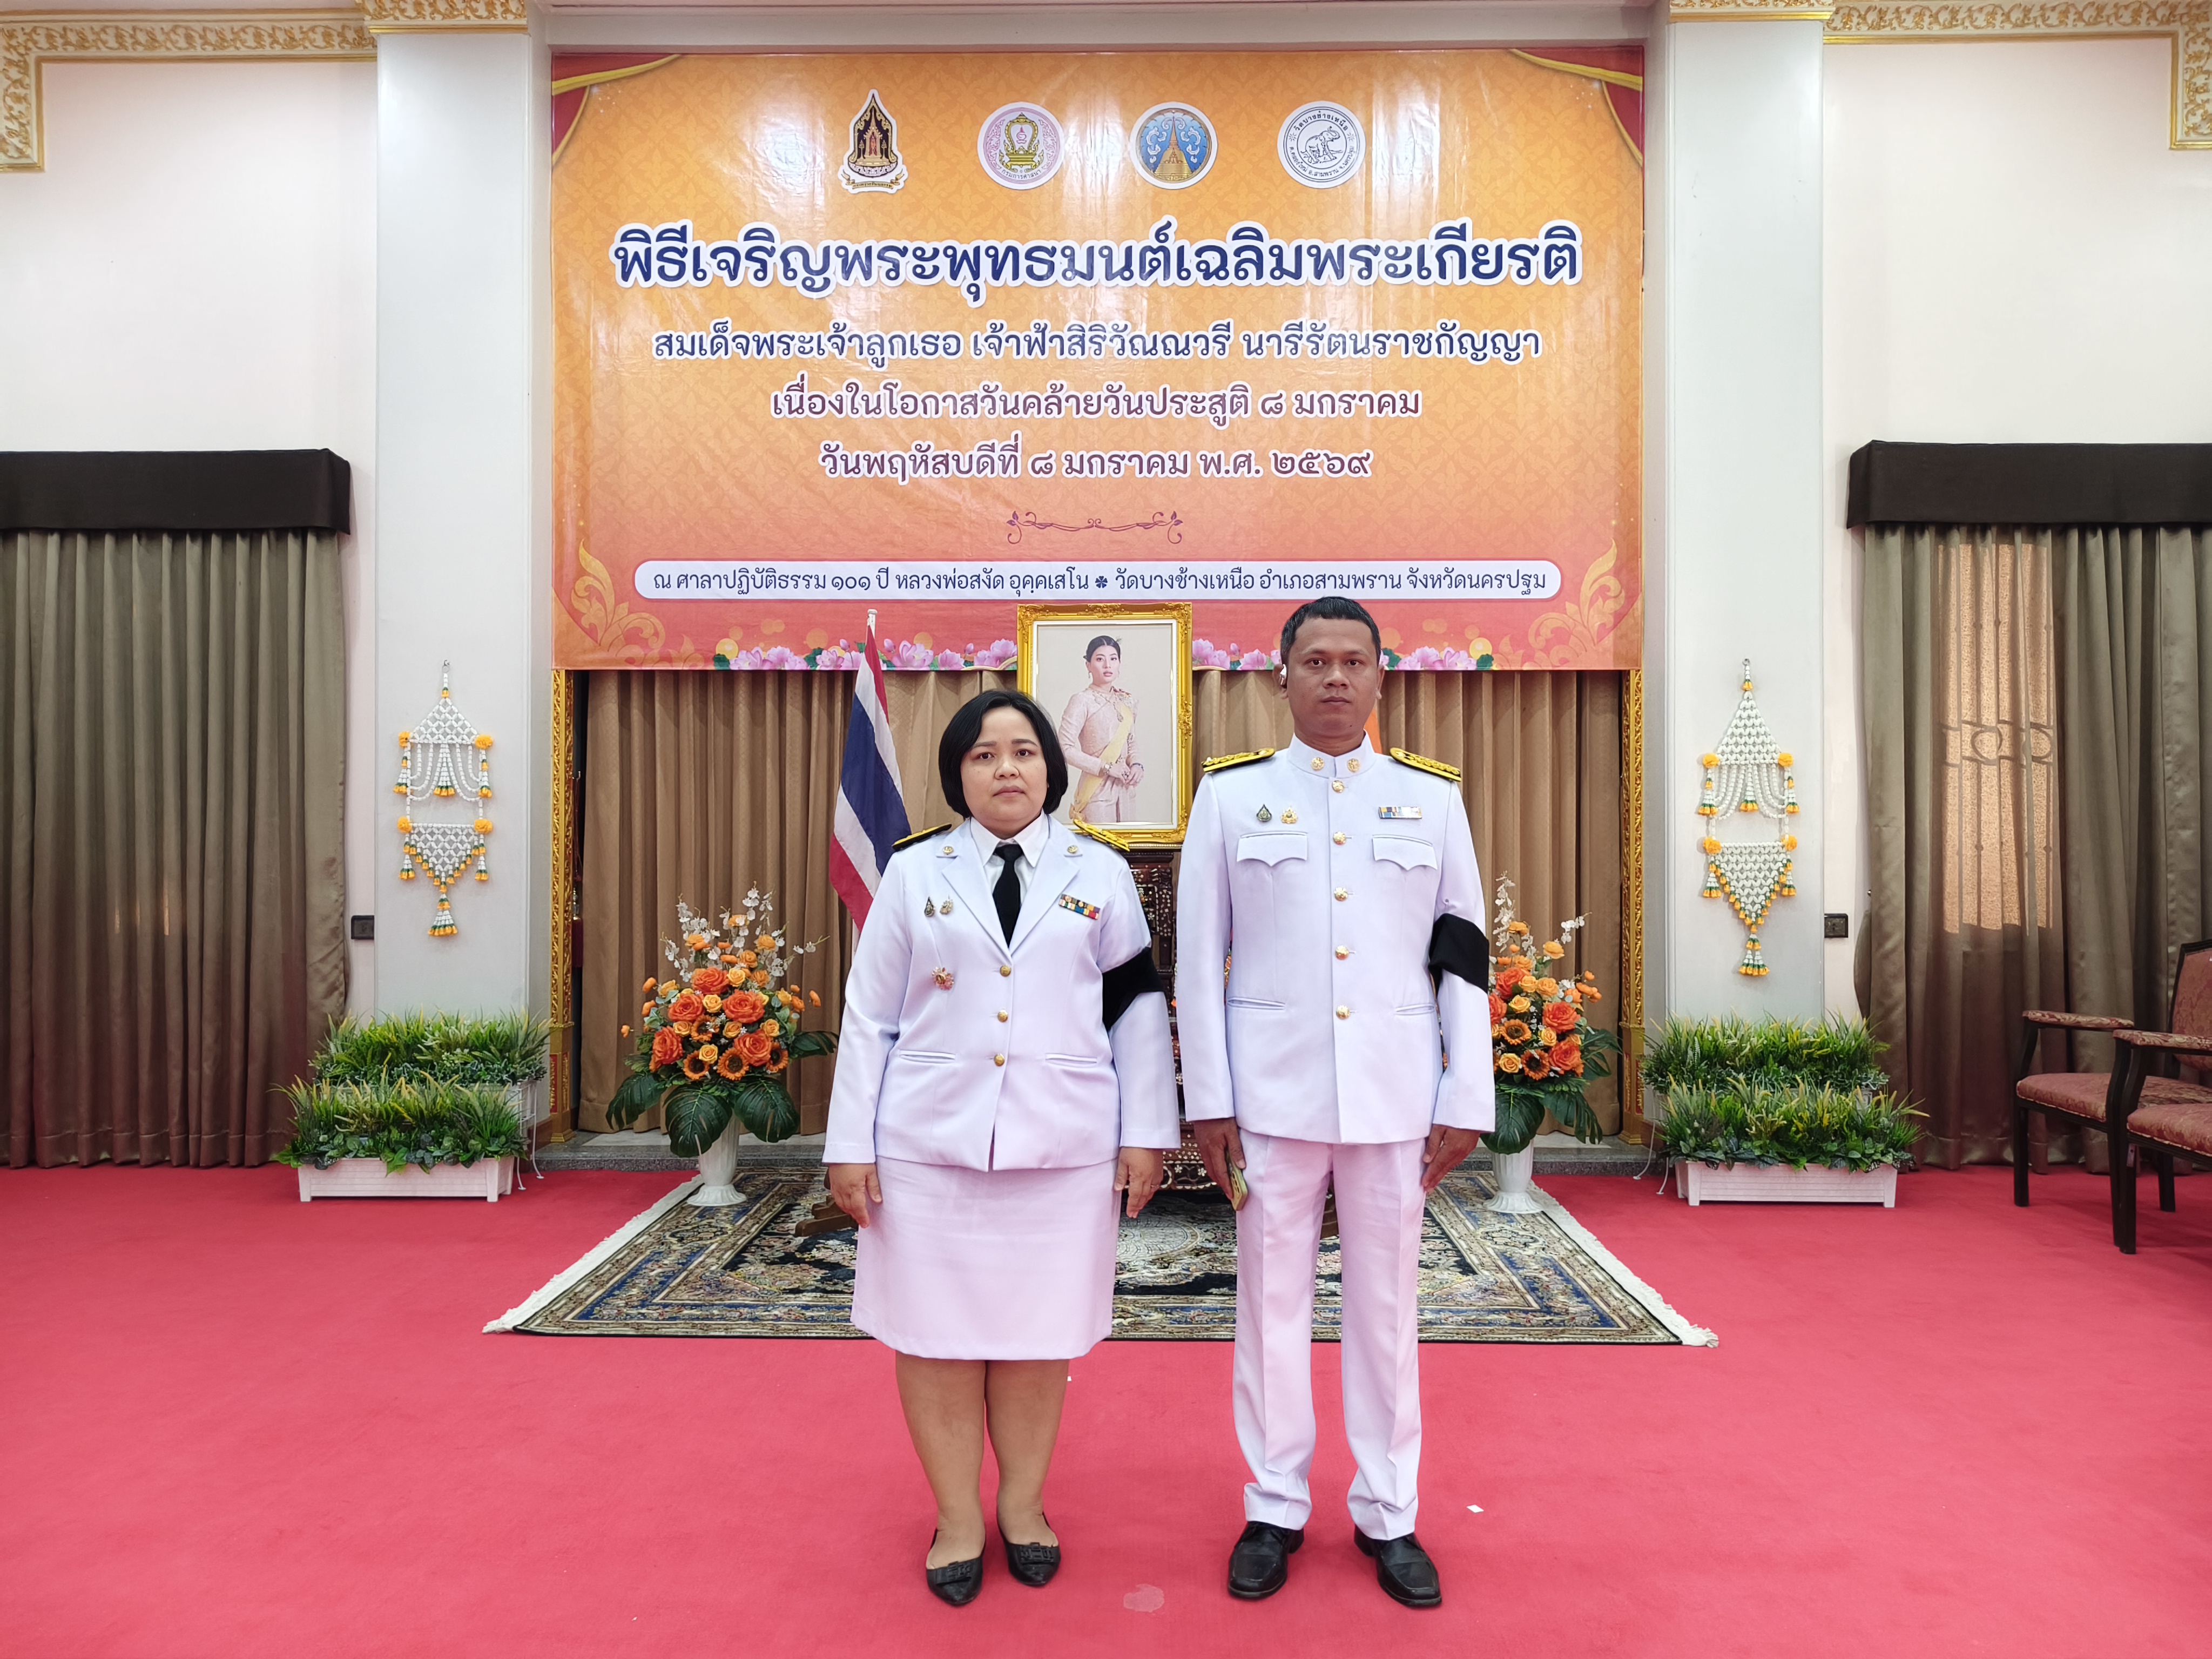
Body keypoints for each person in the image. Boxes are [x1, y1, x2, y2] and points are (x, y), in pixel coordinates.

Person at [824, 688, 1178, 1607]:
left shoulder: (1099, 873)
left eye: (1023, 751)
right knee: (934, 1338)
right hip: (927, 1148)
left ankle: (1023, 1506)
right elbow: (868, 1018)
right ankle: (955, 1517)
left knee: (1035, 1337)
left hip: (1061, 1149)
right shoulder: (913, 872)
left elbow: (1136, 1010)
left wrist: (1148, 1130)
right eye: (983, 755)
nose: (1007, 768)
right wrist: (848, 1144)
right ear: (958, 776)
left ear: (1052, 770)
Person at [1174, 595, 1494, 1610]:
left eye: (1354, 661)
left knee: (1387, 1306)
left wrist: (1466, 1090)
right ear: (1281, 678)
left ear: (1381, 679)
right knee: (1268, 1307)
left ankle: (1388, 1511)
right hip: (1271, 1094)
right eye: (1314, 660)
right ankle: (1273, 1503)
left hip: (1396, 1093)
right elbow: (1195, 964)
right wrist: (1209, 1099)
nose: (1335, 678)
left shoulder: (1430, 800)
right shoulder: (1230, 798)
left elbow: (1464, 953)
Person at [1057, 635, 1143, 825]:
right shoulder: (1082, 701)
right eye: (1099, 659)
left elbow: (1131, 741)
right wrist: (1106, 768)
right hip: (1096, 792)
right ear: (1088, 665)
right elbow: (1064, 748)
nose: (1108, 665)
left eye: (1113, 659)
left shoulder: (1126, 701)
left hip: (1126, 790)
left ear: (1120, 663)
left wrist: (1137, 764)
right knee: (1101, 852)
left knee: (1130, 852)